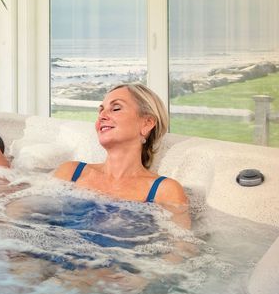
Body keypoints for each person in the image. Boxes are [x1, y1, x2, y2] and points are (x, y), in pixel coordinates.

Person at [53, 83, 190, 227]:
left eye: (116, 108)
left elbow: (182, 247)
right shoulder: (71, 173)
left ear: (147, 123)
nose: (102, 116)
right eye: (100, 111)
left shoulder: (165, 190)